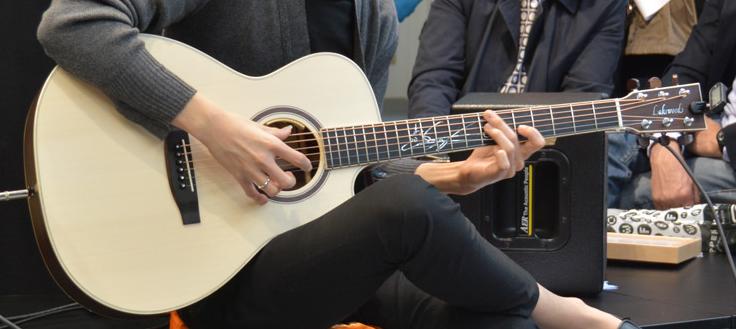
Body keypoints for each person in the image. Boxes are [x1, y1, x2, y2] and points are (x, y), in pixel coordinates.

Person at [37, 1, 638, 328]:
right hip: (220, 278)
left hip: (322, 263)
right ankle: (563, 312)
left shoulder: (374, 20)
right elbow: (74, 22)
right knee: (409, 209)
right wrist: (217, 129)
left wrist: (460, 176)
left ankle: (533, 311)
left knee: (492, 319)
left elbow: (358, 179)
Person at [608, 0, 736, 210]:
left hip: (725, 149)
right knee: (607, 141)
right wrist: (664, 142)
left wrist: (722, 141)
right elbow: (687, 70)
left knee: (631, 195)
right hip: (705, 129)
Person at [407, 0, 626, 119]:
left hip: (545, 145)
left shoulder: (604, 5)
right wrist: (435, 153)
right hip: (462, 139)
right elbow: (434, 79)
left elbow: (581, 101)